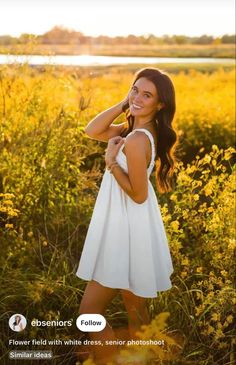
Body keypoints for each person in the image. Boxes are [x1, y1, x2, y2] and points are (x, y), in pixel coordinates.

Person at [76, 67, 178, 364]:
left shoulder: (135, 140)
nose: (138, 97)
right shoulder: (131, 132)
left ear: (160, 105)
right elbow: (92, 130)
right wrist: (126, 103)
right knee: (138, 316)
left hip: (125, 231)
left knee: (89, 313)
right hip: (134, 227)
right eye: (135, 89)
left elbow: (138, 194)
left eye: (147, 95)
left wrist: (110, 162)